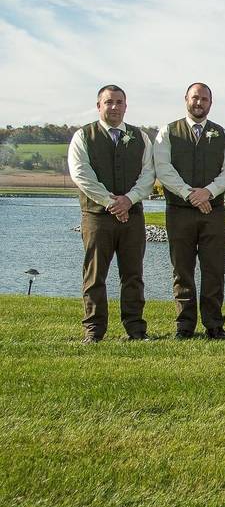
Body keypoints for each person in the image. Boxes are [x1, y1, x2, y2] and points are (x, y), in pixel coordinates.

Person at [68, 84, 155, 343]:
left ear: (126, 106)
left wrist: (129, 200)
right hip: (96, 217)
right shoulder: (83, 137)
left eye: (119, 102)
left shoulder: (141, 138)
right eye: (109, 102)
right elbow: (81, 175)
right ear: (99, 106)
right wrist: (110, 202)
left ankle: (136, 330)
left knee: (133, 275)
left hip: (133, 215)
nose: (114, 107)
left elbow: (148, 174)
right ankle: (94, 330)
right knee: (95, 275)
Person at [153, 82, 225, 340]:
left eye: (204, 99)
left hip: (213, 210)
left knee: (214, 269)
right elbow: (163, 169)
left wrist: (208, 192)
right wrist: (190, 194)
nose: (199, 103)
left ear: (211, 103)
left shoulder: (223, 135)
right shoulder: (168, 132)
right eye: (195, 98)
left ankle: (214, 325)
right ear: (185, 99)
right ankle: (184, 326)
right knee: (182, 269)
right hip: (179, 211)